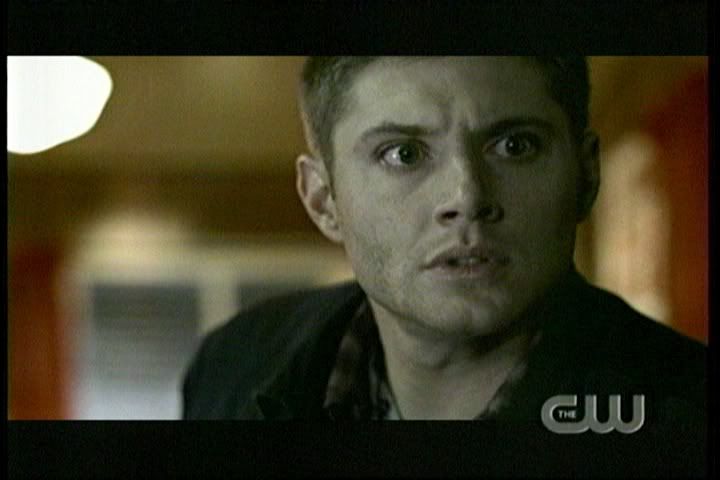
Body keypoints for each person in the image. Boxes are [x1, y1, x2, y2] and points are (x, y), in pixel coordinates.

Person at [182, 57, 705, 469]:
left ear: (586, 176)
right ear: (323, 201)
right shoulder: (234, 366)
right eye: (403, 154)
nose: (467, 196)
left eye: (515, 145)